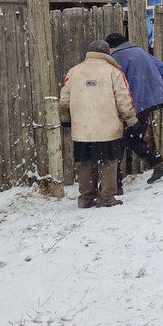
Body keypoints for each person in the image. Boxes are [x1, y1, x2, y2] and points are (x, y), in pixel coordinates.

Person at [59, 40, 140, 208]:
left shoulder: (74, 71)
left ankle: (86, 198)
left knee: (86, 162)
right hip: (107, 128)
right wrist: (131, 119)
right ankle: (107, 198)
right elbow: (123, 99)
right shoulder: (113, 72)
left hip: (82, 129)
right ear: (107, 54)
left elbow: (64, 99)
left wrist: (66, 119)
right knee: (109, 161)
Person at [104, 33, 163, 184]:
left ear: (112, 46)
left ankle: (115, 182)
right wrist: (151, 89)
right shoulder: (141, 52)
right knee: (133, 137)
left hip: (131, 105)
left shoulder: (117, 57)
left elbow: (116, 84)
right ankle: (157, 164)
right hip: (146, 103)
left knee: (123, 139)